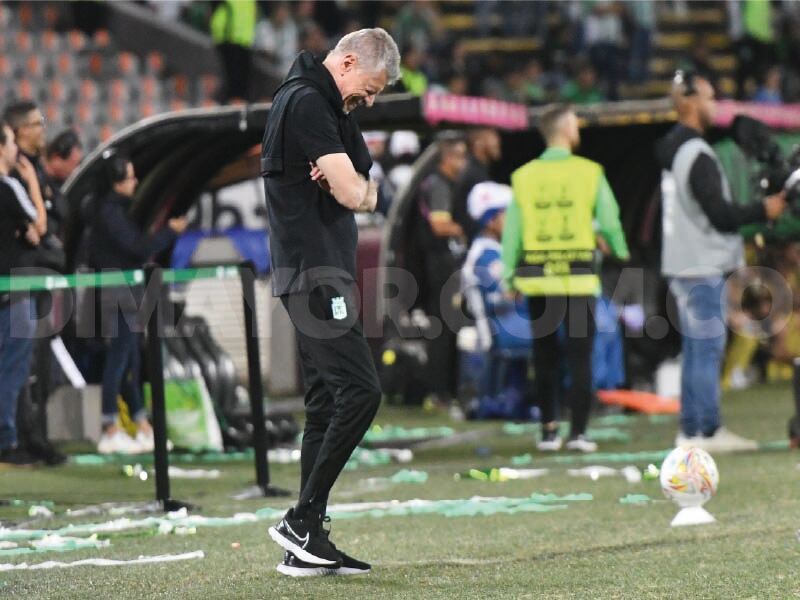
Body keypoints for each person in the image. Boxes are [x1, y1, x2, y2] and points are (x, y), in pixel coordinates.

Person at [259, 28, 399, 576]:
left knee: (322, 404)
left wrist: (356, 186)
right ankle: (301, 519)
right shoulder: (307, 101)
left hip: (323, 271)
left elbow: (370, 187)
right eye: (368, 88)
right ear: (344, 63)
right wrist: (353, 188)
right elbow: (351, 192)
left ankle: (306, 540)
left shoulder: (332, 104)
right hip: (313, 273)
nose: (370, 100)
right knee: (362, 392)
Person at [657, 71, 786, 451]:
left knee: (698, 348)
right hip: (699, 263)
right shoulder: (695, 153)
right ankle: (706, 431)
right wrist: (765, 208)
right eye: (710, 98)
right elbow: (720, 213)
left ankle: (692, 431)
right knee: (706, 348)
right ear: (689, 102)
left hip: (684, 261)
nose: (715, 106)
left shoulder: (676, 150)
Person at [502, 104, 630, 453]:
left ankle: (547, 431)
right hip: (577, 277)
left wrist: (509, 274)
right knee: (580, 356)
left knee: (544, 356)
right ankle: (578, 433)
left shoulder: (524, 176)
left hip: (537, 278)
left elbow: (513, 229)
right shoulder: (589, 172)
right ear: (567, 128)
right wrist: (619, 248)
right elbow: (610, 218)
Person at [88, 155, 187, 455]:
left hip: (126, 294)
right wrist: (169, 231)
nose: (135, 183)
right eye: (130, 177)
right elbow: (138, 248)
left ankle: (142, 425)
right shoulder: (109, 212)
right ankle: (109, 427)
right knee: (118, 362)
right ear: (117, 181)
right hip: (117, 295)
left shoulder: (115, 210)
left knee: (129, 361)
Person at [0, 121, 45, 466]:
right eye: (12, 141)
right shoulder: (8, 186)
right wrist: (30, 181)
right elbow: (38, 225)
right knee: (13, 368)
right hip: (13, 291)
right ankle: (8, 438)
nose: (16, 149)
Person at [416, 136, 468, 404]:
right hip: (441, 264)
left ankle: (442, 389)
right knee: (444, 328)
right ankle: (439, 391)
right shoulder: (438, 185)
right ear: (447, 158)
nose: (463, 162)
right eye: (460, 156)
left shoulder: (439, 183)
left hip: (438, 264)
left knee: (446, 326)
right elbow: (439, 225)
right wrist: (462, 230)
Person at [453, 128, 502, 243]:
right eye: (492, 138)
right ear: (479, 143)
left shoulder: (479, 170)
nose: (497, 142)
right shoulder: (473, 175)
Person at [210, 0, 257, 102]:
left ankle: (236, 109)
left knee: (242, 85)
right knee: (232, 83)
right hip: (229, 41)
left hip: (245, 42)